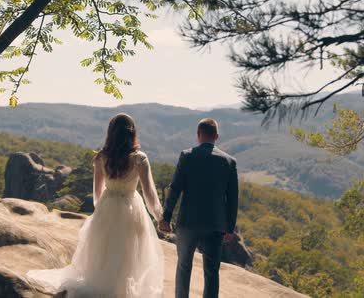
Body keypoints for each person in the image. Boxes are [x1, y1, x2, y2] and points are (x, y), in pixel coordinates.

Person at [27, 113, 164, 297]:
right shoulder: (140, 159)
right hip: (131, 206)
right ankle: (122, 290)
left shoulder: (101, 157)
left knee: (105, 251)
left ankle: (104, 286)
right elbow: (149, 194)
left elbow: (97, 192)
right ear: (132, 133)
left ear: (111, 133)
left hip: (108, 206)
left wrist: (101, 212)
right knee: (129, 252)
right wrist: (159, 217)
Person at [159, 118, 239, 298]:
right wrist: (230, 227)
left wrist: (166, 216)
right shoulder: (229, 162)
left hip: (188, 222)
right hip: (215, 224)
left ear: (198, 135)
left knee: (184, 266)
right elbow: (233, 198)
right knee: (211, 272)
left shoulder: (187, 156)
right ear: (216, 136)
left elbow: (175, 188)